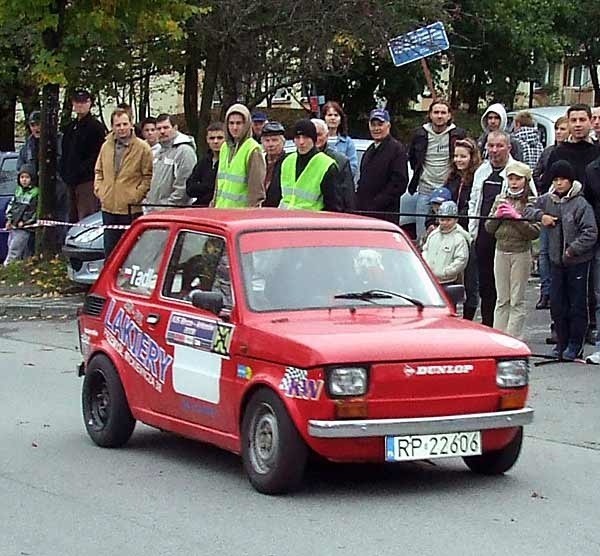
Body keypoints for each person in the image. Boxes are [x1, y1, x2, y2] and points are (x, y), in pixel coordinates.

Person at [469, 130, 536, 327]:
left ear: (509, 147)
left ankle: (511, 333)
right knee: (486, 287)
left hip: (512, 242)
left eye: (499, 146)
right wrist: (472, 231)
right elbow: (475, 202)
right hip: (484, 233)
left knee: (510, 294)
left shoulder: (520, 172)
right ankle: (490, 327)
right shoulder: (481, 171)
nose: (494, 150)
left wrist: (517, 217)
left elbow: (534, 209)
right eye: (491, 146)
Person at [536, 160, 597, 361]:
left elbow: (590, 232)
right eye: (556, 180)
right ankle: (561, 342)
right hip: (556, 262)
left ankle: (575, 344)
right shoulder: (549, 200)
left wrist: (573, 249)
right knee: (557, 304)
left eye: (563, 179)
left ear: (571, 181)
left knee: (577, 305)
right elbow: (527, 208)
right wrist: (541, 216)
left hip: (577, 262)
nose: (559, 183)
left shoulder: (581, 204)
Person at [485, 161, 540, 339]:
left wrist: (517, 218)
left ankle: (513, 338)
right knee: (502, 299)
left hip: (520, 253)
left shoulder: (532, 202)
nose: (514, 182)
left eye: (518, 179)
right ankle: (499, 337)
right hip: (500, 251)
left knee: (517, 299)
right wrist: (497, 216)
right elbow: (489, 227)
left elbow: (534, 232)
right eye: (511, 178)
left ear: (526, 180)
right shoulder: (499, 199)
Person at [94, 107, 153, 257]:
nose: (121, 128)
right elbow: (98, 171)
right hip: (108, 207)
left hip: (130, 209)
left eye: (124, 124)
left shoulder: (142, 148)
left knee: (130, 253)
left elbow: (147, 177)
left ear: (131, 124)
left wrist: (135, 196)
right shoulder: (105, 146)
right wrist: (100, 191)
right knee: (110, 252)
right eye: (118, 125)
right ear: (112, 126)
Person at [408, 99, 466, 241]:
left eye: (443, 112)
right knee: (422, 236)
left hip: (448, 191)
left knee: (447, 235)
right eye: (436, 112)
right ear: (430, 114)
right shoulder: (420, 134)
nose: (439, 116)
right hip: (425, 190)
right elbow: (413, 159)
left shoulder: (458, 135)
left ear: (449, 115)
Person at [533, 115, 569, 310]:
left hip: (568, 209)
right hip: (548, 205)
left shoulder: (571, 153)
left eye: (563, 129)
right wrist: (544, 189)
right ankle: (545, 291)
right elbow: (538, 173)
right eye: (557, 129)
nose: (559, 133)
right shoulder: (549, 152)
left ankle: (556, 292)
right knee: (544, 252)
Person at [444, 137, 482, 320]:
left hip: (467, 233)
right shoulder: (451, 178)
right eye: (456, 156)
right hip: (448, 233)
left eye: (463, 156)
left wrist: (459, 218)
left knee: (470, 280)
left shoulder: (476, 179)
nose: (458, 160)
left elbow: (473, 205)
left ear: (471, 157)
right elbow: (441, 200)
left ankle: (468, 317)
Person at [60, 89, 106, 221]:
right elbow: (65, 152)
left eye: (84, 102)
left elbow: (98, 154)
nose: (80, 105)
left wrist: (82, 170)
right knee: (71, 217)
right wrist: (64, 171)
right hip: (69, 181)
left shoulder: (96, 127)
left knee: (86, 217)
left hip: (87, 181)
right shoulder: (70, 127)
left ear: (90, 103)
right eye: (77, 102)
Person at [356, 108, 408, 223]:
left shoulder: (397, 150)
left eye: (380, 124)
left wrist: (375, 204)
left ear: (388, 125)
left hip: (385, 216)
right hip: (365, 215)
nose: (376, 128)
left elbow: (399, 184)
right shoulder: (369, 151)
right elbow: (363, 181)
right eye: (373, 125)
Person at [278, 119, 339, 211]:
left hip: (310, 222)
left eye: (306, 137)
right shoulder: (287, 161)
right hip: (285, 220)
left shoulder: (327, 165)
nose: (301, 142)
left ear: (313, 139)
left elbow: (333, 207)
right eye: (298, 137)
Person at [212, 103, 265, 208]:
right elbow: (218, 184)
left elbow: (256, 191)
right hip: (221, 212)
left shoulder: (253, 149)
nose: (234, 127)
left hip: (239, 216)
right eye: (231, 123)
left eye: (239, 123)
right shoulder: (224, 148)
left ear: (246, 124)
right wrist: (213, 204)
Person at [543, 104, 600, 192]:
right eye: (573, 120)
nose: (578, 124)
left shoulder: (597, 151)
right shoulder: (558, 153)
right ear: (568, 123)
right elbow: (547, 185)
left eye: (582, 120)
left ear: (590, 122)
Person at [145, 113, 197, 210]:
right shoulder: (159, 151)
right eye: (159, 128)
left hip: (173, 213)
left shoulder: (184, 151)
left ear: (175, 128)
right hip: (155, 211)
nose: (162, 131)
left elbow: (183, 187)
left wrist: (167, 208)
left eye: (166, 127)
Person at [422, 200, 469, 285]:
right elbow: (425, 250)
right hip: (430, 279)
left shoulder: (459, 238)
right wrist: (426, 265)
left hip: (448, 281)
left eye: (448, 220)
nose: (445, 223)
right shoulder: (433, 235)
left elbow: (461, 260)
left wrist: (446, 272)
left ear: (456, 219)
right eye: (442, 219)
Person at [312, 118, 355, 212]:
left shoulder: (340, 161)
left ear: (326, 136)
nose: (316, 139)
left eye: (319, 135)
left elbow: (347, 198)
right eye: (312, 135)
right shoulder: (295, 159)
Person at [3, 165, 38, 266]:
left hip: (24, 228)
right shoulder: (18, 191)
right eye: (22, 177)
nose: (24, 180)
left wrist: (25, 221)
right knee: (10, 245)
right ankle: (16, 267)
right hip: (14, 226)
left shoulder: (35, 192)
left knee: (15, 249)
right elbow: (11, 206)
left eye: (27, 177)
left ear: (32, 179)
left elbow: (33, 211)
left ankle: (8, 267)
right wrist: (9, 219)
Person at [186, 122, 225, 207]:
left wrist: (201, 186)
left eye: (220, 138)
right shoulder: (203, 162)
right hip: (200, 208)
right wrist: (209, 186)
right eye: (212, 138)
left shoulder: (229, 162)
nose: (215, 141)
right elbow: (189, 189)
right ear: (207, 139)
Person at [322, 101, 358, 178]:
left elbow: (352, 168)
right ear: (324, 118)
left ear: (340, 119)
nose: (333, 118)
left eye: (336, 115)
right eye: (329, 115)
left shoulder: (348, 142)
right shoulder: (318, 141)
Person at [260, 121, 287, 207]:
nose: (270, 144)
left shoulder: (288, 162)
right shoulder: (260, 162)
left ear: (283, 142)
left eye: (275, 140)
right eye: (267, 140)